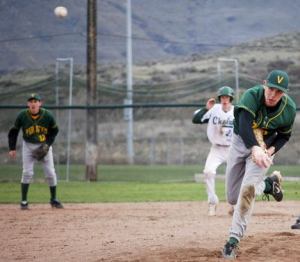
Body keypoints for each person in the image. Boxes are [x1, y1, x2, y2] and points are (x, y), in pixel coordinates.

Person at [222, 70, 296, 259]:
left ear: (284, 93)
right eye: (271, 88)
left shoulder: (288, 109)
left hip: (264, 149)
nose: (273, 94)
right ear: (264, 84)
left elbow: (284, 136)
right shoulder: (252, 95)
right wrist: (254, 147)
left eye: (279, 91)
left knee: (246, 193)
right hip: (241, 142)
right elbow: (245, 124)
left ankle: (233, 240)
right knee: (232, 198)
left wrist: (269, 151)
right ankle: (269, 184)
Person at [8, 93, 63, 210]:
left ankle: (53, 199)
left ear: (40, 103)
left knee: (51, 173)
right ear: (28, 104)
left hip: (44, 146)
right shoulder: (22, 115)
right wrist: (12, 148)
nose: (33, 103)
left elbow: (55, 131)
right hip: (28, 146)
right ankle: (24, 201)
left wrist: (47, 144)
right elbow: (14, 131)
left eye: (35, 101)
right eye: (31, 101)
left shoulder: (47, 115)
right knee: (27, 173)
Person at [192, 86, 235, 216]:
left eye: (227, 97)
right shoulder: (214, 109)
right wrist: (206, 108)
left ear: (231, 98)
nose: (224, 99)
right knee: (208, 172)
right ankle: (212, 202)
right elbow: (196, 119)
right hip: (216, 149)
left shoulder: (236, 112)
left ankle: (235, 205)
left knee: (234, 177)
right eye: (222, 97)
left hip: (233, 149)